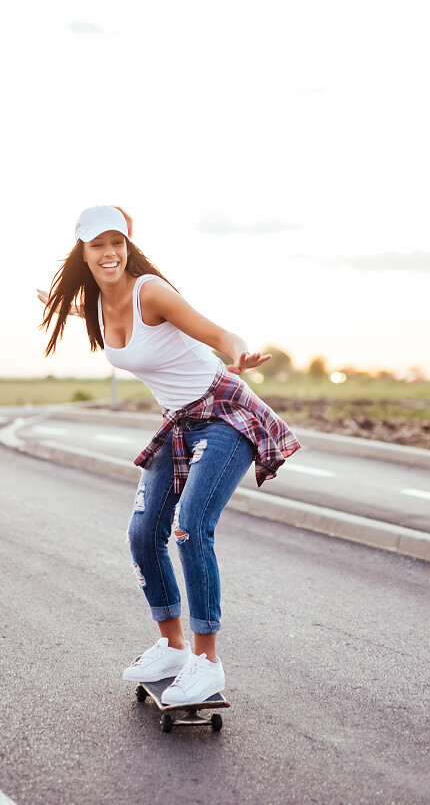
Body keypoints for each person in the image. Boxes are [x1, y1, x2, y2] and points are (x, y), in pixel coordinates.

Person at [38, 205, 300, 705]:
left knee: (189, 526)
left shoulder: (150, 292)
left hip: (224, 413)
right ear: (84, 253)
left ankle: (207, 662)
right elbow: (80, 306)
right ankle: (173, 646)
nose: (110, 253)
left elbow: (219, 334)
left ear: (127, 245)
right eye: (98, 245)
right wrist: (58, 302)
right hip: (180, 423)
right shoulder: (94, 303)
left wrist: (238, 352)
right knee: (142, 534)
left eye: (117, 242)